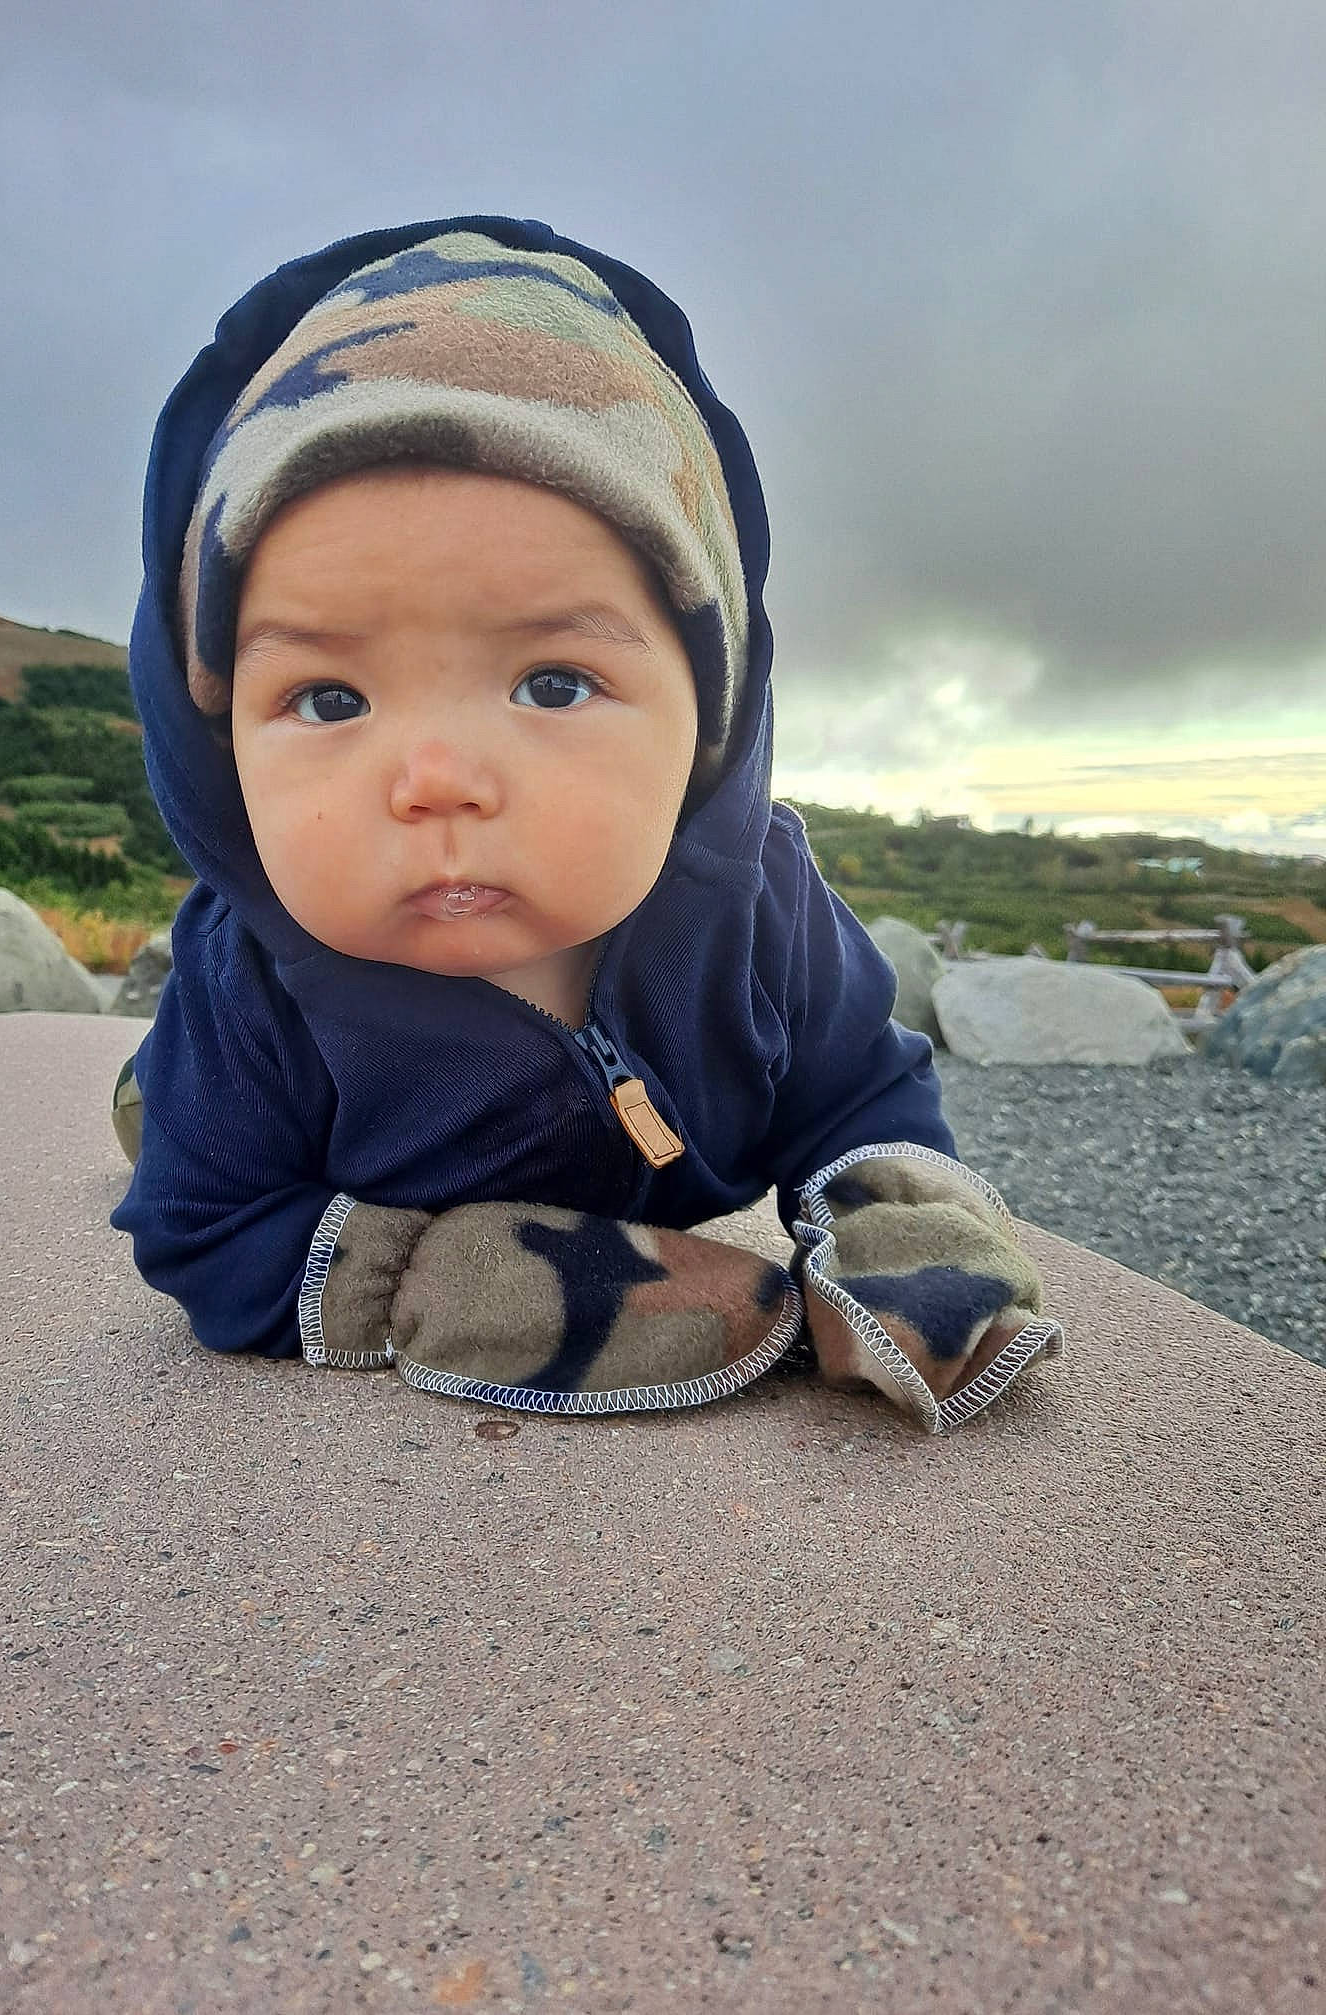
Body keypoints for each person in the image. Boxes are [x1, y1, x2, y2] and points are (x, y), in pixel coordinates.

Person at [109, 216, 1063, 1433]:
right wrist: (435, 1278)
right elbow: (201, 1225)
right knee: (175, 1121)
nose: (437, 779)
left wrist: (895, 1216)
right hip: (269, 1135)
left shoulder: (760, 912)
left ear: (709, 716)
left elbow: (858, 1086)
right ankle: (147, 1092)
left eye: (553, 683)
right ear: (217, 745)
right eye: (330, 698)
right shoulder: (248, 986)